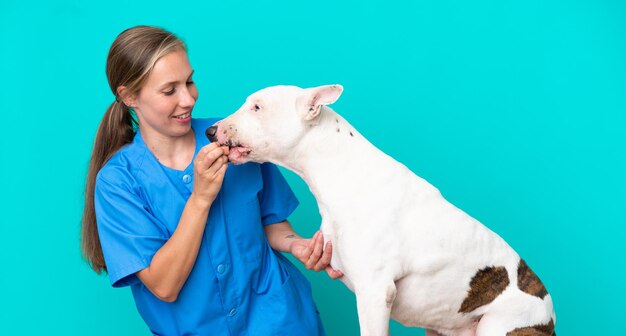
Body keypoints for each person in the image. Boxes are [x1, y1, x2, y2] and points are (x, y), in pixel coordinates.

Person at [81, 25, 342, 335]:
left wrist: (297, 244)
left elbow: (272, 225)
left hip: (281, 321)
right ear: (128, 96)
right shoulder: (117, 183)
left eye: (189, 81)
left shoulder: (233, 135)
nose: (188, 98)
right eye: (169, 90)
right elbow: (164, 286)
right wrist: (201, 198)